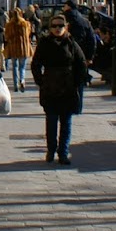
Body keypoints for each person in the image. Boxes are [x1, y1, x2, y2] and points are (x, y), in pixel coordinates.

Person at [33, 13, 89, 165]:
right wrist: (41, 81)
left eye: (60, 26)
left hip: (68, 87)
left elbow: (81, 63)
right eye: (54, 26)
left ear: (66, 27)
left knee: (66, 122)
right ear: (50, 28)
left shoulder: (71, 43)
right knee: (51, 122)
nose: (57, 29)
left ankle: (63, 152)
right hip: (50, 87)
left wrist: (77, 82)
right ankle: (51, 150)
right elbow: (35, 64)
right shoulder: (44, 43)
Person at [2, 7, 33, 93]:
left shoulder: (9, 25)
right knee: (22, 67)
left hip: (13, 47)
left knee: (14, 66)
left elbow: (6, 36)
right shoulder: (25, 24)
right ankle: (22, 80)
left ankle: (15, 84)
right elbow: (28, 34)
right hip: (24, 47)